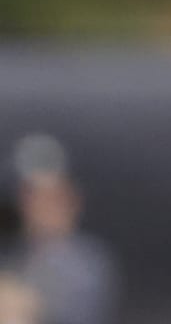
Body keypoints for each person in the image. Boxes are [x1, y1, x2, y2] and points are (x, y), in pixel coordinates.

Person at [3, 137, 116, 324]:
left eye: (54, 197)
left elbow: (31, 308)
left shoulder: (89, 261)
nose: (44, 207)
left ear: (73, 200)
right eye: (34, 197)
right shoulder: (16, 256)